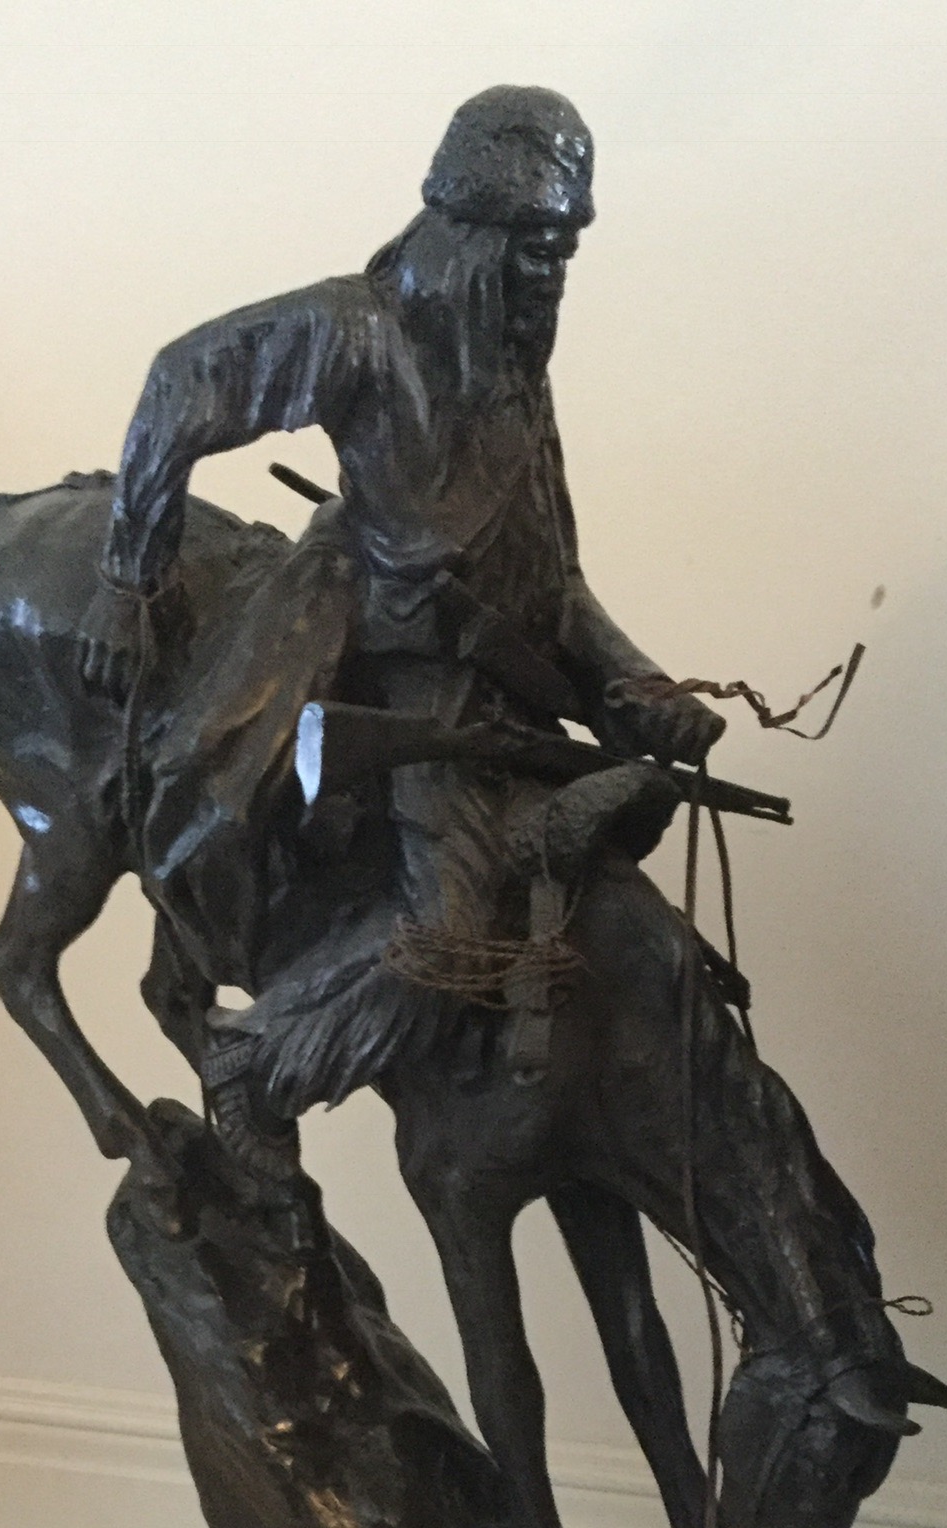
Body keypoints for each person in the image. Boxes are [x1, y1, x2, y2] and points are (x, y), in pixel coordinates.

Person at [76, 86, 726, 1170]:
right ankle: (259, 1064)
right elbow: (186, 379)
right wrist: (129, 579)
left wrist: (643, 688)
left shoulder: (513, 371)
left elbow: (557, 586)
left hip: (503, 683)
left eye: (565, 252)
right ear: (472, 237)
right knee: (452, 936)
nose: (554, 275)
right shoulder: (356, 329)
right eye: (538, 250)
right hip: (396, 682)